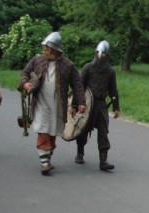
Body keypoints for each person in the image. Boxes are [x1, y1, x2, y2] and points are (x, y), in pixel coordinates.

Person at [19, 31, 85, 175]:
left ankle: (47, 157)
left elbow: (77, 85)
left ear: (55, 49)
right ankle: (45, 163)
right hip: (40, 104)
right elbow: (24, 73)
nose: (45, 50)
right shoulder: (37, 60)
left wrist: (80, 102)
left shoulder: (68, 65)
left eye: (47, 47)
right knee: (43, 132)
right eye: (44, 47)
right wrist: (25, 85)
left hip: (57, 106)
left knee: (52, 134)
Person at [74, 40, 120, 171]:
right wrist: (75, 105)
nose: (101, 55)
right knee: (83, 129)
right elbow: (80, 87)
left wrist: (116, 107)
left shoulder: (110, 71)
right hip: (88, 103)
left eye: (104, 53)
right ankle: (80, 152)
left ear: (107, 54)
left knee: (103, 131)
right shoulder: (88, 68)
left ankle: (103, 160)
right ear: (95, 53)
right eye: (99, 53)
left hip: (101, 105)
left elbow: (113, 90)